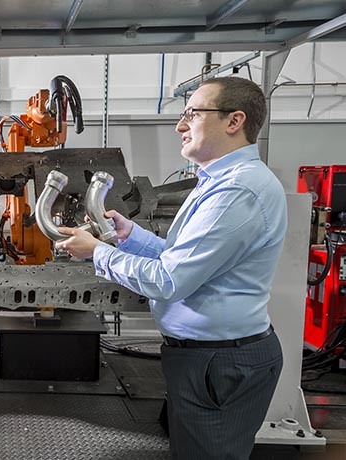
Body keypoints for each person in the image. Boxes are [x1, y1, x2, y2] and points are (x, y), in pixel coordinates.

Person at [56, 76, 286, 460]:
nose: (180, 126)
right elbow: (186, 260)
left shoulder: (237, 191)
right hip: (206, 358)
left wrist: (96, 252)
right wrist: (131, 236)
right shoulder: (218, 180)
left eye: (192, 114)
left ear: (234, 121)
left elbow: (169, 280)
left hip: (218, 363)